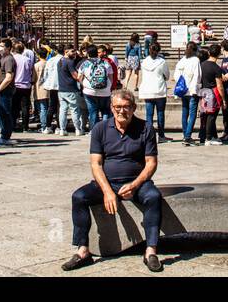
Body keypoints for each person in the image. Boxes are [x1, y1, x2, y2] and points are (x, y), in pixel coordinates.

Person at [63, 88, 163, 273]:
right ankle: (83, 249)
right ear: (111, 107)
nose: (121, 111)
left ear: (133, 108)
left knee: (154, 197)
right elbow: (96, 164)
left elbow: (151, 163)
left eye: (126, 107)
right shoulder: (100, 128)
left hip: (137, 183)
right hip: (107, 182)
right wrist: (108, 191)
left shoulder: (146, 128)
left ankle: (151, 250)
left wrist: (134, 184)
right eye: (117, 107)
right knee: (79, 197)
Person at [136, 40, 170, 142]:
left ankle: (149, 136)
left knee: (149, 115)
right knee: (160, 113)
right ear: (158, 50)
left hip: (147, 90)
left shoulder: (144, 62)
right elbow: (167, 76)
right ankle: (161, 135)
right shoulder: (162, 62)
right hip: (159, 89)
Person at [173, 44, 202, 144]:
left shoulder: (182, 60)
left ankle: (185, 134)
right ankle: (188, 136)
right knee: (192, 113)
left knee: (185, 112)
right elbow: (197, 75)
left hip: (183, 90)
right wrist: (195, 89)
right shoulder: (196, 60)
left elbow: (176, 75)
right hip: (192, 90)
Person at [79, 45, 113, 127]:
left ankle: (94, 131)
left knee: (93, 111)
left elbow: (79, 78)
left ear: (88, 53)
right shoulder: (105, 63)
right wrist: (108, 86)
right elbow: (111, 77)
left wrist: (84, 85)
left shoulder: (85, 64)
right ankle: (105, 128)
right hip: (105, 91)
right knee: (105, 110)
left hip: (89, 91)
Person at [198, 45, 226, 145]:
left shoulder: (201, 65)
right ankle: (209, 138)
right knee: (211, 115)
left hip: (203, 91)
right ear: (218, 54)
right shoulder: (216, 68)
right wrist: (223, 99)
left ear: (209, 53)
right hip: (212, 92)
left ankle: (204, 136)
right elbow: (220, 85)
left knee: (204, 115)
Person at [56, 47, 86, 137]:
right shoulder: (69, 62)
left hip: (61, 89)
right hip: (71, 89)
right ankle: (77, 129)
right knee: (74, 110)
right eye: (72, 51)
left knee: (63, 110)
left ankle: (62, 129)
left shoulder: (60, 61)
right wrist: (82, 77)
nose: (74, 53)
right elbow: (75, 76)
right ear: (66, 51)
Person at [0, 41, 17, 144]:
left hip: (5, 90)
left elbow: (9, 77)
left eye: (2, 46)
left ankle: (6, 136)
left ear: (8, 48)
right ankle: (4, 133)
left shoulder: (9, 59)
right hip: (1, 90)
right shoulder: (1, 58)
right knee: (1, 113)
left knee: (5, 112)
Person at [13, 41, 36, 132]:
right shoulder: (28, 60)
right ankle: (25, 126)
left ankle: (14, 124)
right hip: (26, 85)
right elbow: (32, 71)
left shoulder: (12, 58)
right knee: (25, 106)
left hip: (15, 84)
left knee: (14, 106)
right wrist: (32, 81)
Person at [38, 44, 60, 133]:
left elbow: (45, 74)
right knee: (60, 107)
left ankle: (48, 126)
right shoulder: (62, 59)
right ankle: (59, 127)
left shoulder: (50, 60)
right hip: (61, 85)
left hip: (52, 85)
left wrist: (45, 82)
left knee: (51, 106)